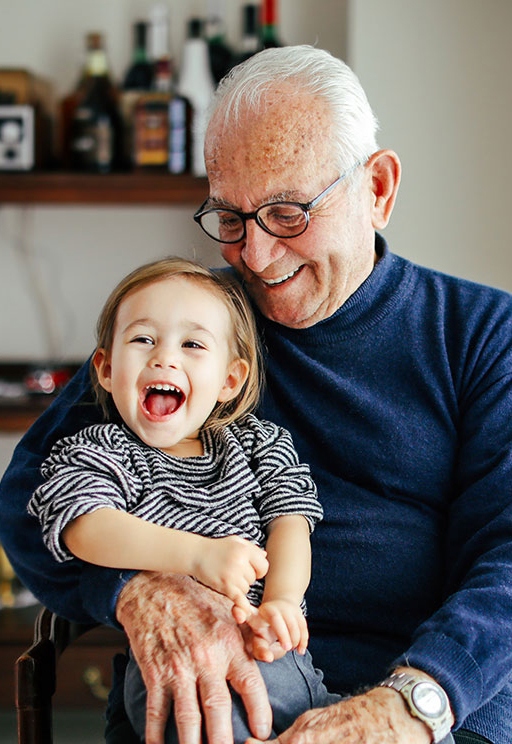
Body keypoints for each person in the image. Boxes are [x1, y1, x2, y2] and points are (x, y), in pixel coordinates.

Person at [1, 44, 512, 744]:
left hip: (424, 697)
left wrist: (406, 708)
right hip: (209, 694)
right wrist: (136, 588)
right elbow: (30, 495)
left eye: (287, 212)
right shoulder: (188, 330)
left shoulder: (483, 333)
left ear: (377, 188)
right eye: (230, 218)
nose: (254, 256)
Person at [27, 257, 339, 743]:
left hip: (278, 656)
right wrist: (197, 554)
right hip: (172, 667)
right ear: (107, 369)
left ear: (230, 380)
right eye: (142, 339)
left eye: (192, 344)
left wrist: (282, 600)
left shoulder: (259, 445)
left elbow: (291, 524)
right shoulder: (101, 450)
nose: (164, 358)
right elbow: (84, 525)